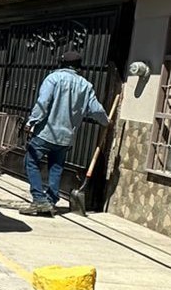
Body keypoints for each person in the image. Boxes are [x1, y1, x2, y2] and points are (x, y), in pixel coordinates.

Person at [22, 50, 109, 216]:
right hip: (66, 137)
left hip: (45, 133)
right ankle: (51, 200)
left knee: (30, 162)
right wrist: (106, 122)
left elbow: (43, 103)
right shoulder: (86, 85)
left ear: (61, 64)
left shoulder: (53, 78)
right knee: (56, 167)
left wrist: (31, 121)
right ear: (79, 67)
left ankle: (39, 200)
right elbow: (96, 109)